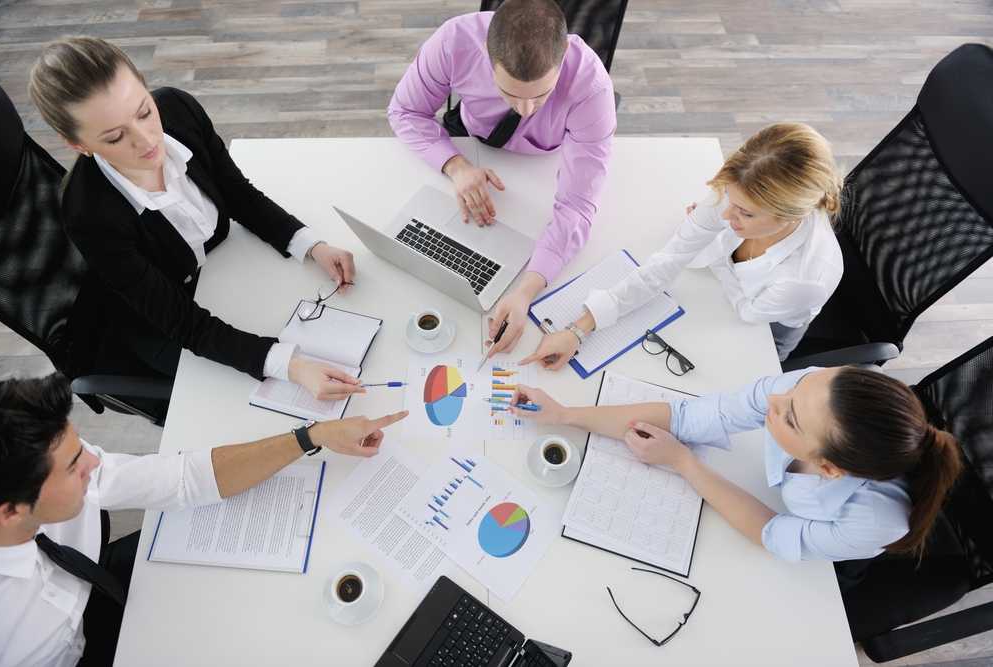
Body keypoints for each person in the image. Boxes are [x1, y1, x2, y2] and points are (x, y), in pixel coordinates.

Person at [0, 372, 407, 667]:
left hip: (101, 585)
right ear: (9, 512)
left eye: (80, 446)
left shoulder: (47, 473)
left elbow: (183, 479)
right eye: (73, 466)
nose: (95, 461)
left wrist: (312, 436)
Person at [28, 37, 361, 401]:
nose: (146, 141)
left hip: (221, 274)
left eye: (143, 111)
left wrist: (311, 245)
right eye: (115, 137)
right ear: (79, 145)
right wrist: (291, 365)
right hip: (167, 322)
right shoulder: (89, 214)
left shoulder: (178, 109)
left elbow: (238, 194)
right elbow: (183, 323)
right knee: (247, 404)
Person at [509, 366, 962, 566]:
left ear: (828, 469)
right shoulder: (817, 392)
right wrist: (566, 414)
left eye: (789, 416)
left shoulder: (875, 521)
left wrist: (684, 462)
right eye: (796, 388)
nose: (773, 398)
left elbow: (774, 535)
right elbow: (691, 415)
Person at [387, 0, 616, 357]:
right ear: (484, 52)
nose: (524, 110)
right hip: (473, 146)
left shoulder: (593, 87)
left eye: (541, 94)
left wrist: (526, 290)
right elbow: (404, 111)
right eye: (509, 92)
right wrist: (456, 166)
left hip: (544, 165)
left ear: (565, 51)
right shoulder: (454, 41)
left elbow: (577, 204)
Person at [523, 123, 844, 367]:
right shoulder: (738, 190)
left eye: (744, 213)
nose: (727, 212)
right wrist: (580, 329)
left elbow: (747, 311)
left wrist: (708, 247)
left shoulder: (805, 280)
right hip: (725, 297)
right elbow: (669, 260)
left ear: (788, 216)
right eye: (729, 200)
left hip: (765, 332)